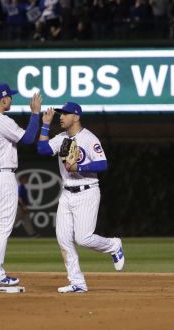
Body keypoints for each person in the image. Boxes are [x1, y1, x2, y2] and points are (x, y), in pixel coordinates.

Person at [37, 101, 124, 293]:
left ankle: (113, 245)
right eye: (60, 114)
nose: (61, 117)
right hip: (67, 193)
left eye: (65, 114)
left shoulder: (88, 138)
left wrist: (80, 167)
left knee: (83, 239)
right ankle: (77, 282)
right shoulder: (61, 139)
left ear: (76, 117)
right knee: (63, 239)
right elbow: (42, 149)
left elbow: (103, 164)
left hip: (87, 191)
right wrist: (44, 124)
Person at [0, 83, 41, 292]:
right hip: (0, 177)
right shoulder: (1, 120)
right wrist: (35, 114)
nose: (11, 99)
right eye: (10, 97)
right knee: (2, 228)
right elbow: (29, 138)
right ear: (3, 99)